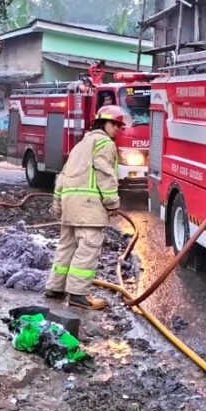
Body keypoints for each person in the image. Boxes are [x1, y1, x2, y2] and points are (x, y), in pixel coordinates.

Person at [44, 105, 126, 311]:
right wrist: (112, 203)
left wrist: (57, 202)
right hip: (89, 208)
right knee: (88, 248)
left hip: (70, 204)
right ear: (102, 123)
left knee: (66, 246)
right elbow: (106, 175)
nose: (116, 128)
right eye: (113, 123)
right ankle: (79, 295)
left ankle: (55, 287)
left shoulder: (81, 145)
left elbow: (63, 175)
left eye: (119, 125)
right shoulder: (105, 144)